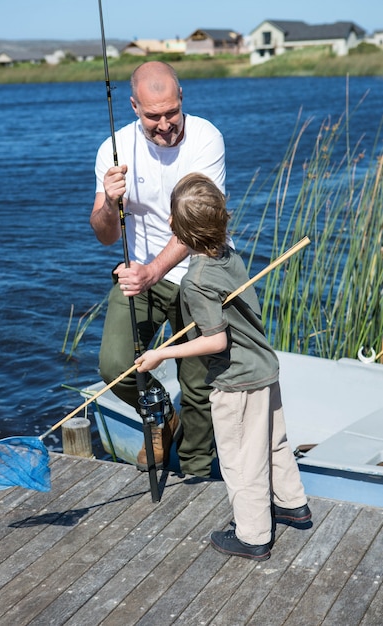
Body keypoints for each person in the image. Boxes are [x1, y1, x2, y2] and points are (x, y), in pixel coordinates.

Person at [136, 172, 311, 560]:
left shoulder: (195, 280)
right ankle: (292, 503)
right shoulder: (229, 254)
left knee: (241, 459)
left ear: (176, 230)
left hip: (237, 380)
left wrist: (162, 354)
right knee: (272, 441)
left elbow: (216, 340)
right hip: (263, 365)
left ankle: (253, 536)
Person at [90, 61, 226, 477]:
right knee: (115, 369)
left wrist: (152, 270)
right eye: (153, 116)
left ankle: (197, 476)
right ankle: (163, 418)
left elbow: (198, 226)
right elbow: (105, 235)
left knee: (199, 388)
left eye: (171, 112)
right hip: (143, 275)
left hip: (201, 273)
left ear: (181, 97)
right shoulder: (113, 147)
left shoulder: (206, 138)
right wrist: (110, 204)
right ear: (134, 106)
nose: (165, 124)